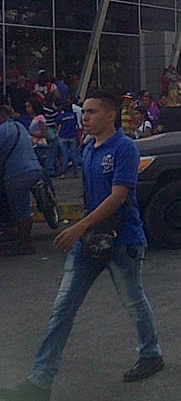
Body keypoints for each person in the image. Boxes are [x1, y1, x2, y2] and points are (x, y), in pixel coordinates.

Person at [0, 90, 164, 401]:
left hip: (122, 241)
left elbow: (118, 197)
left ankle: (151, 353)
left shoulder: (125, 148)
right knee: (62, 310)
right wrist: (83, 229)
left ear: (110, 115)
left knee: (133, 301)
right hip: (89, 242)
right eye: (84, 112)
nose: (84, 117)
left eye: (91, 112)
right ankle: (40, 381)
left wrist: (79, 226)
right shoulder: (88, 148)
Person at [0, 105, 43, 256]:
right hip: (35, 168)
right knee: (22, 205)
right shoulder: (19, 126)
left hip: (16, 176)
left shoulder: (2, 131)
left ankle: (25, 243)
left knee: (21, 209)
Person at [56, 101, 81, 178]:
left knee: (65, 155)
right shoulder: (73, 115)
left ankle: (64, 173)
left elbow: (57, 124)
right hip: (72, 136)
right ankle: (76, 172)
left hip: (63, 136)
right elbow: (76, 124)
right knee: (74, 155)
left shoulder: (61, 116)